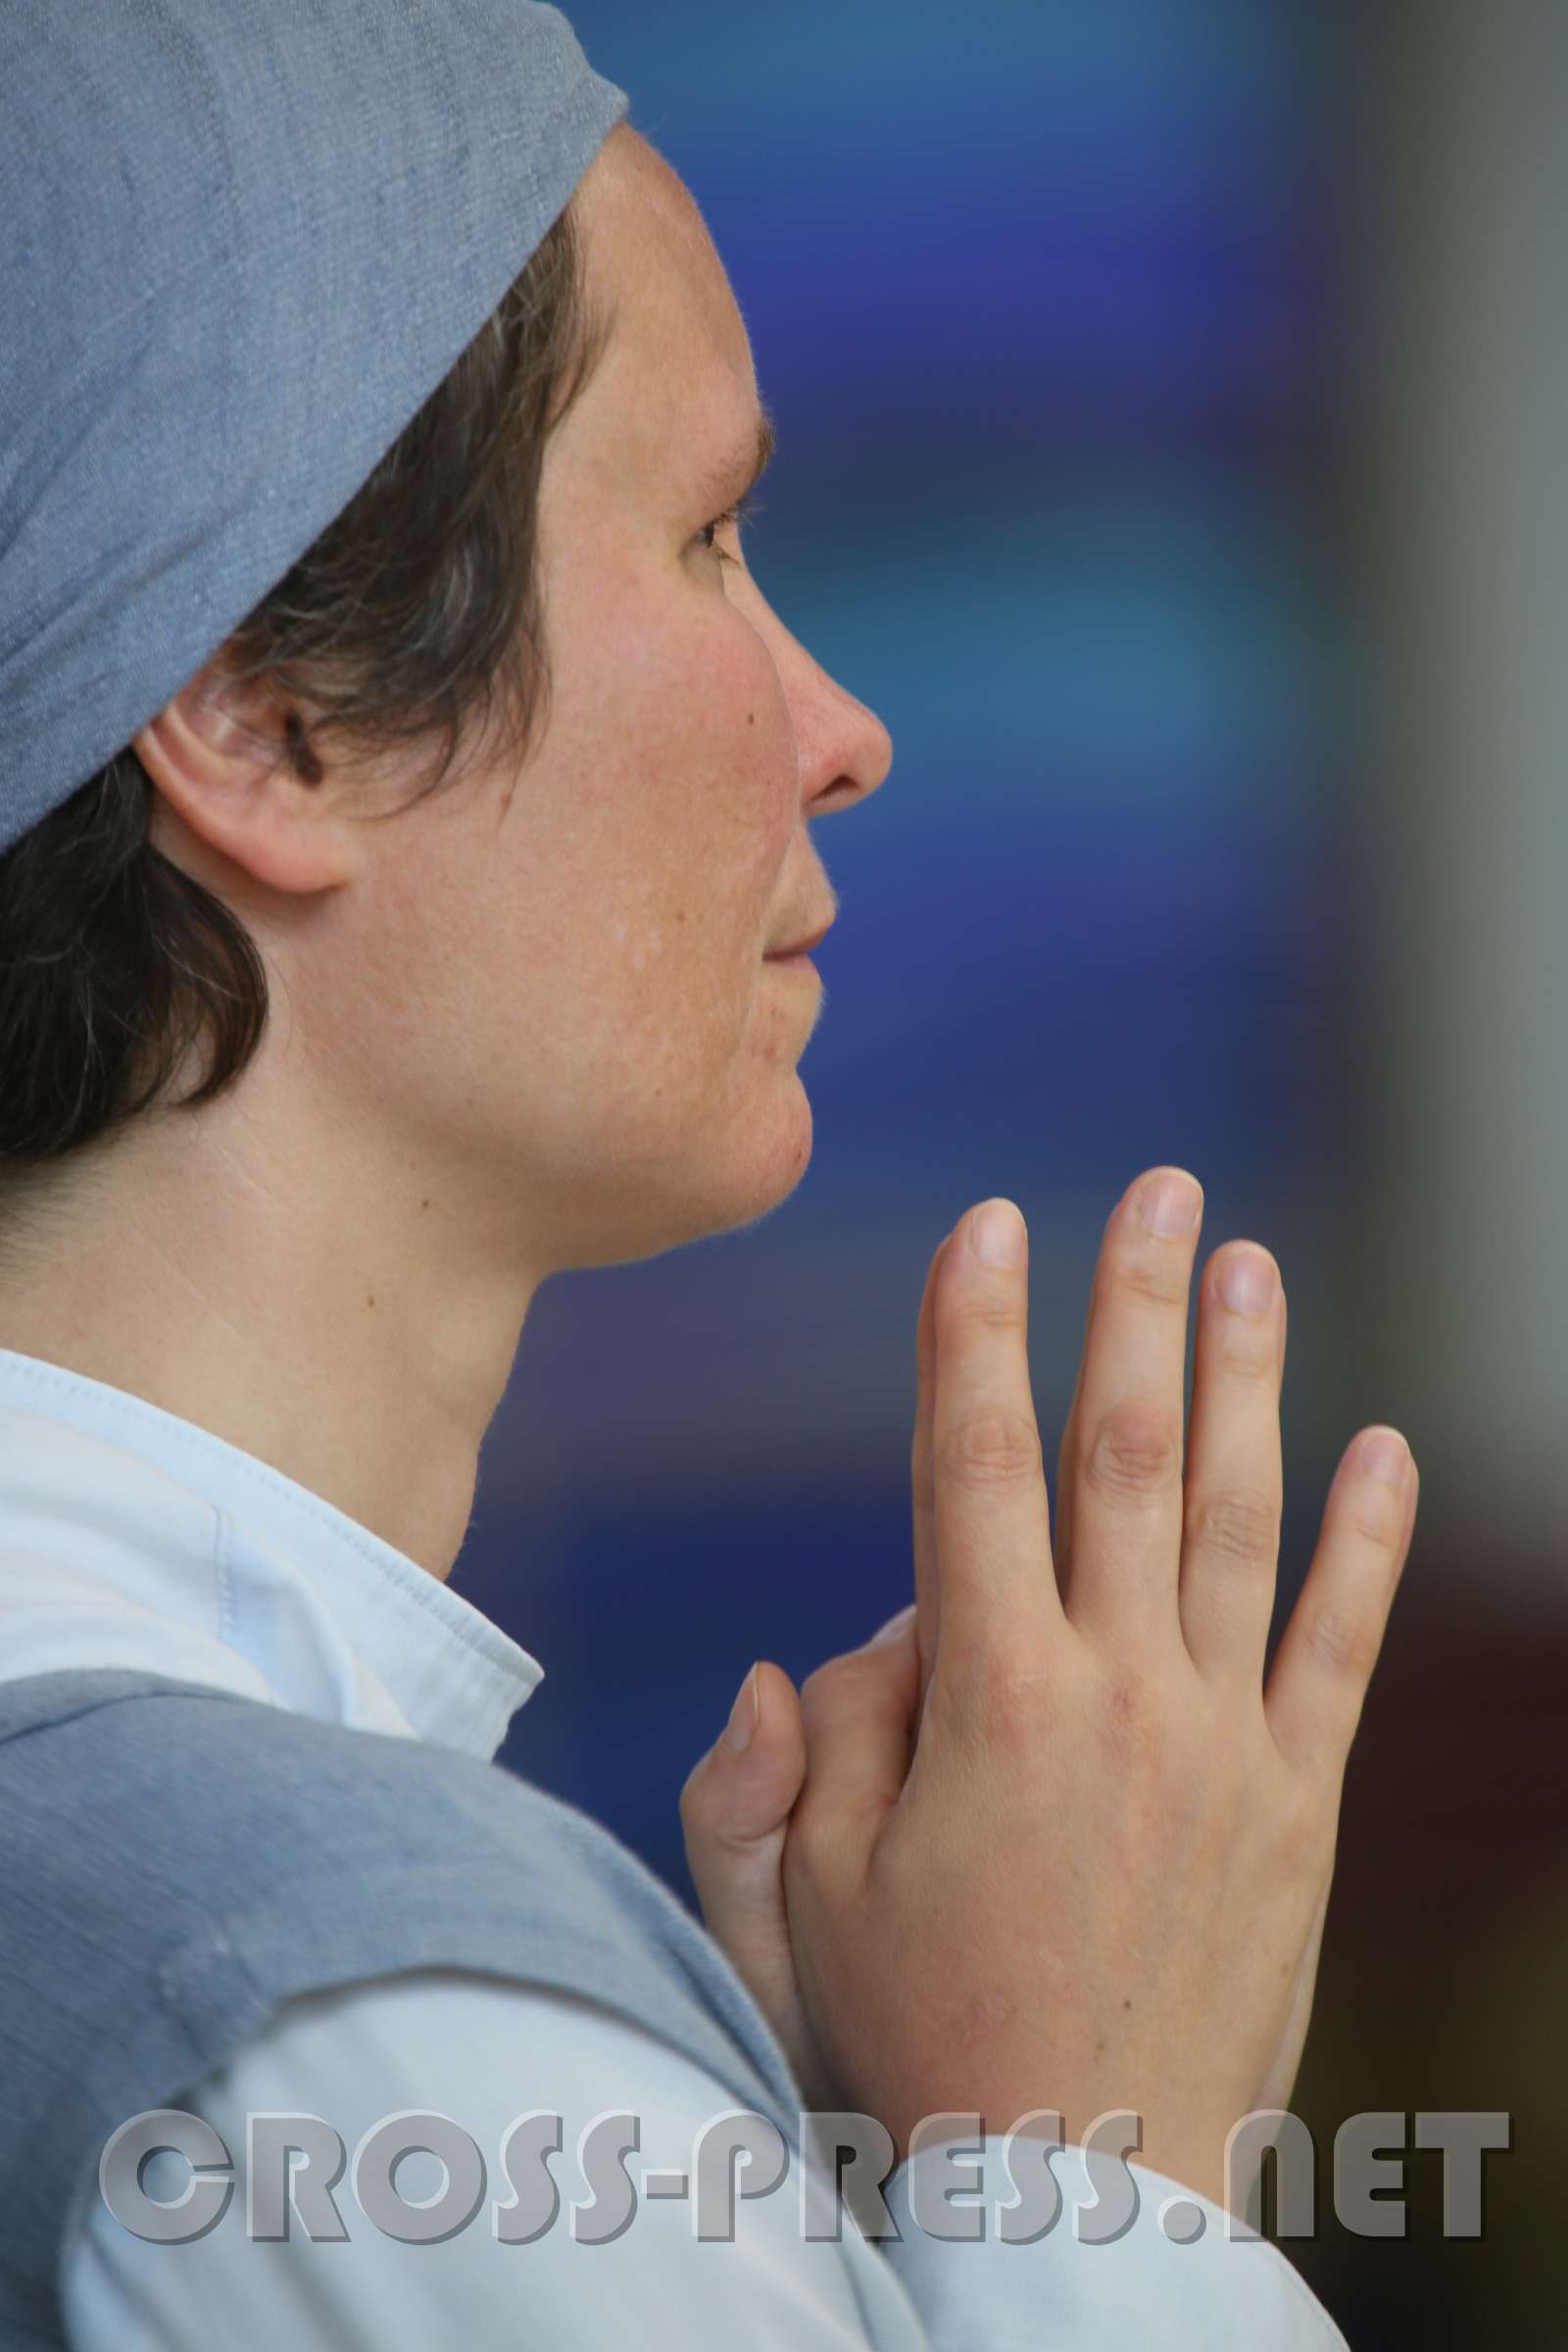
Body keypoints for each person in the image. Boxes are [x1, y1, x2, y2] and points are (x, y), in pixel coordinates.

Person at [0, 4, 1418, 2344]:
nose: (842, 733)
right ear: (265, 717)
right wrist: (1098, 2192)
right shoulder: (377, 2054)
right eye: (708, 534)